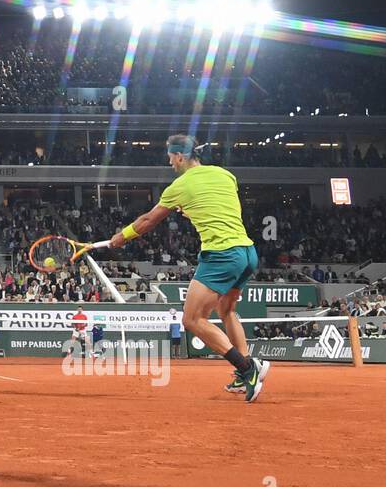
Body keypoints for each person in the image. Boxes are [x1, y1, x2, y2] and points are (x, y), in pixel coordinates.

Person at [108, 135, 269, 402]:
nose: (170, 163)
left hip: (221, 255)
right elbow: (218, 205)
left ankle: (247, 368)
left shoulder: (179, 186)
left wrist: (121, 237)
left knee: (192, 320)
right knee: (227, 311)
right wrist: (192, 209)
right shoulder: (225, 175)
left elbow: (148, 221)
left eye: (171, 158)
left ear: (180, 157)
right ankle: (247, 370)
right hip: (248, 253)